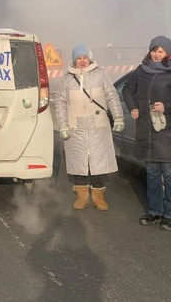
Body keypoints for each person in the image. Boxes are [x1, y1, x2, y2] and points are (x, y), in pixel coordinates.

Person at [123, 36, 171, 231]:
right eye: (154, 50)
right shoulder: (141, 71)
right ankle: (154, 211)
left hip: (169, 133)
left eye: (160, 51)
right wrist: (133, 107)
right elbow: (128, 91)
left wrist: (168, 106)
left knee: (170, 175)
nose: (156, 54)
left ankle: (170, 215)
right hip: (147, 131)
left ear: (169, 53)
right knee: (152, 174)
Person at [53, 45, 124, 211]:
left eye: (85, 57)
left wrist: (118, 117)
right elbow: (60, 103)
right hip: (75, 127)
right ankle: (82, 196)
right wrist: (63, 125)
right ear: (74, 60)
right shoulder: (67, 79)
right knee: (79, 162)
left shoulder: (100, 75)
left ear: (90, 58)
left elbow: (112, 96)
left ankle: (99, 197)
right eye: (79, 58)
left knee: (98, 163)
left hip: (97, 126)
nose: (82, 61)